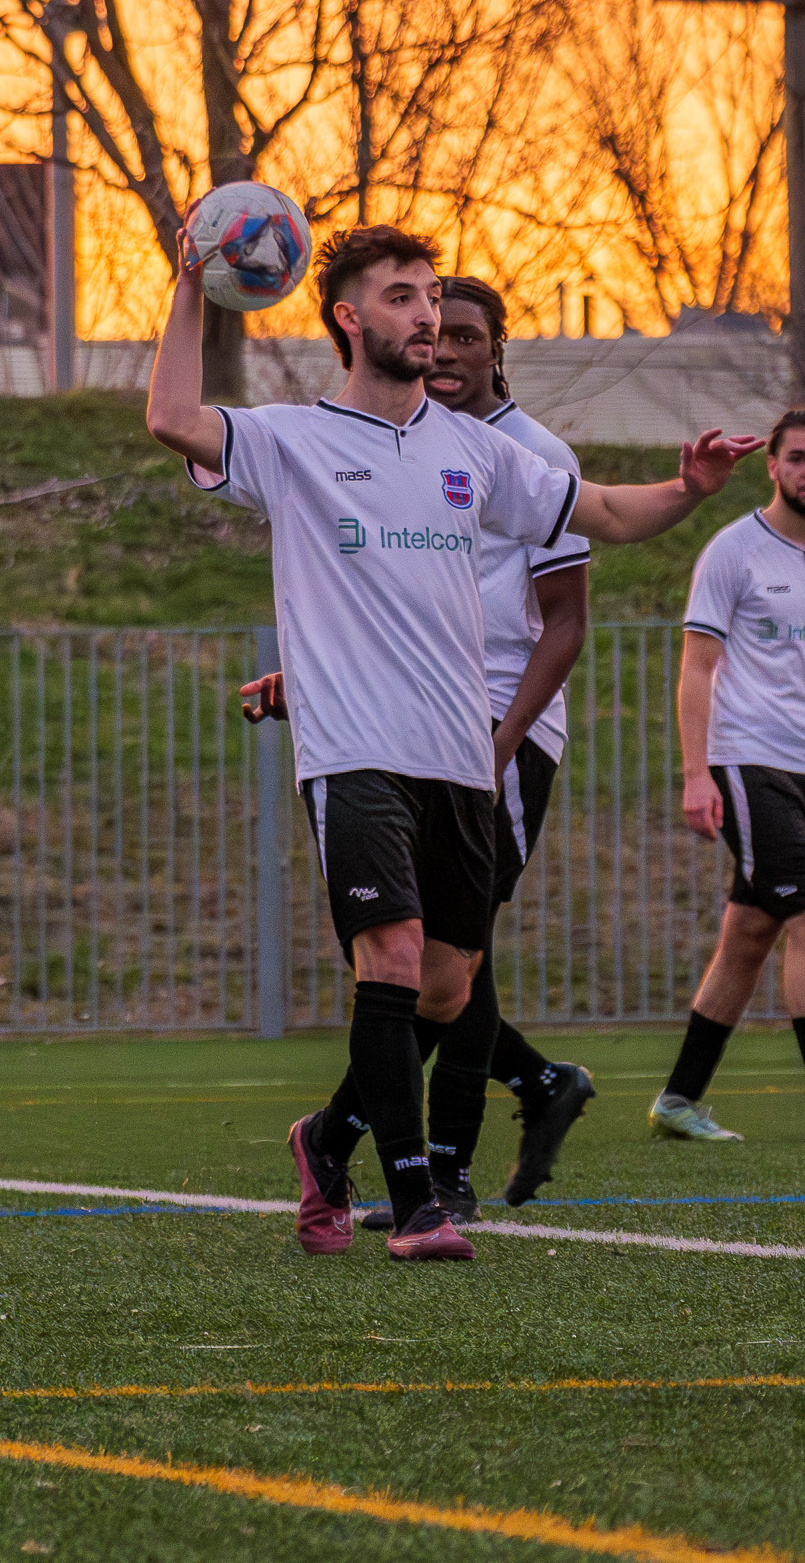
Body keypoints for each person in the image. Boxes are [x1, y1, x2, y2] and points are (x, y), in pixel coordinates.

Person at [147, 216, 761, 1261]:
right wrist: (190, 280)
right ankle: (419, 1202)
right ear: (347, 317)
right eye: (402, 296)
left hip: (458, 758)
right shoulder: (295, 440)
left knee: (447, 986)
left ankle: (323, 1139)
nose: (427, 313)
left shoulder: (475, 453)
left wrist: (688, 491)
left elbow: (603, 513)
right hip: (353, 752)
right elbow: (170, 415)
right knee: (387, 957)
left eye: (432, 295)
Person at [273, 275, 595, 1229]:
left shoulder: (528, 457)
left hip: (504, 727)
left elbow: (565, 624)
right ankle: (387, 1135)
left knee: (455, 961)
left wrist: (500, 743)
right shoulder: (405, 445)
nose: (443, 347)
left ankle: (436, 1168)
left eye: (464, 335)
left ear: (497, 348)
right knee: (430, 962)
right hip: (415, 722)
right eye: (431, 329)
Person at [648, 407, 805, 1144]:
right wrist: (697, 775)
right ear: (773, 466)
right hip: (746, 758)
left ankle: (678, 1100)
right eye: (798, 458)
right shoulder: (733, 552)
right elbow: (696, 670)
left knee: (751, 932)